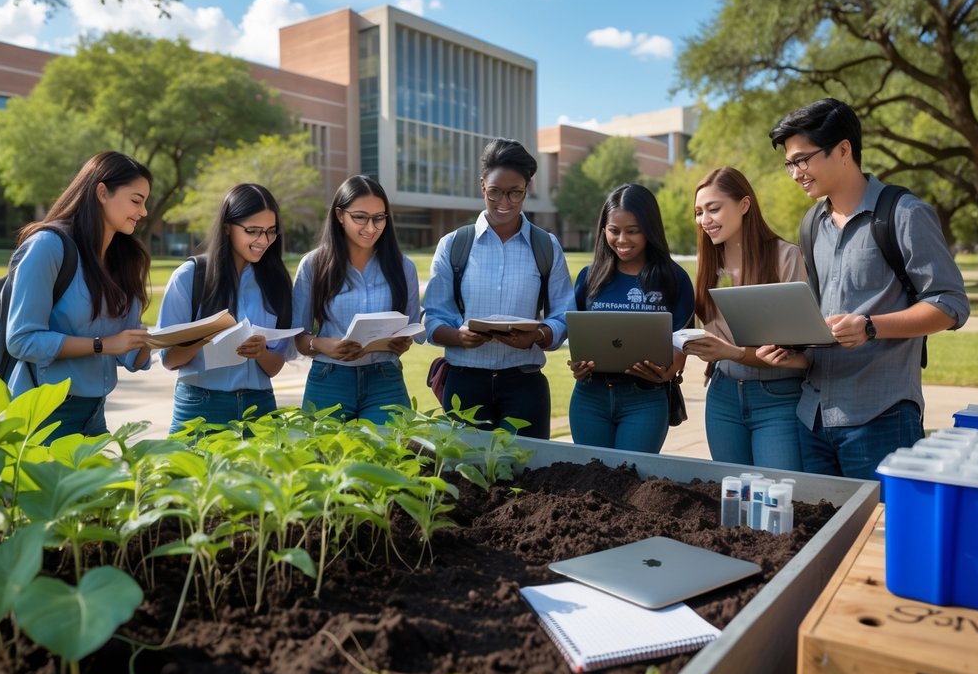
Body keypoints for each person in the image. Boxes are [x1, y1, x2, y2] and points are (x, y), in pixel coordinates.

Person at [758, 98, 970, 480]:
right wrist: (792, 347)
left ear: (843, 150)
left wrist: (871, 326)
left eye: (802, 160)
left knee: (882, 538)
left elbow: (952, 304)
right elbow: (822, 313)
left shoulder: (904, 214)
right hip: (813, 418)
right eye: (790, 163)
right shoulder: (811, 225)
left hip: (880, 417)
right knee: (820, 537)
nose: (795, 173)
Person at [424, 138, 576, 439]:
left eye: (514, 193)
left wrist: (538, 336)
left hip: (525, 384)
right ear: (483, 185)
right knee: (467, 477)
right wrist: (458, 336)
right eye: (494, 192)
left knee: (531, 477)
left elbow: (564, 313)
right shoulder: (454, 245)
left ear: (527, 188)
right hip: (464, 384)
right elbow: (433, 317)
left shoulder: (546, 246)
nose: (504, 202)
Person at [6, 151, 152, 440]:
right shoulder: (48, 246)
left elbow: (128, 355)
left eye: (145, 203)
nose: (144, 212)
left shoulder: (123, 258)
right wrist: (101, 345)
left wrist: (153, 341)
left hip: (95, 414)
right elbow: (21, 340)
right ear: (102, 192)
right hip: (46, 414)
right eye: (136, 200)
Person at [682, 167, 807, 470]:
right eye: (699, 212)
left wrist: (732, 352)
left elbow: (801, 354)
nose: (705, 220)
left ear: (744, 205)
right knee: (734, 497)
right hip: (723, 396)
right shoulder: (710, 265)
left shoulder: (786, 258)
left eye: (714, 208)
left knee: (777, 498)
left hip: (777, 398)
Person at [157, 184, 293, 433]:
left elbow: (273, 367)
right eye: (252, 231)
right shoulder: (191, 276)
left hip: (259, 405)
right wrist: (202, 337)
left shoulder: (277, 282)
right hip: (201, 405)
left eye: (271, 232)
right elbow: (169, 360)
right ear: (227, 227)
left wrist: (261, 351)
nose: (263, 241)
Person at [567, 184, 693, 452]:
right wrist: (577, 366)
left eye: (632, 231)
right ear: (603, 231)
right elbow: (577, 334)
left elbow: (683, 341)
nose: (622, 240)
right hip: (590, 398)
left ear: (650, 229)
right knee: (590, 480)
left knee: (634, 480)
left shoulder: (674, 278)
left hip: (645, 399)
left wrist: (667, 373)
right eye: (614, 231)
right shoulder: (589, 278)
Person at [293, 175, 420, 424]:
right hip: (329, 378)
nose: (371, 228)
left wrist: (403, 343)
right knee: (324, 459)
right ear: (340, 216)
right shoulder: (313, 265)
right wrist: (322, 345)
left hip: (385, 379)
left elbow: (412, 326)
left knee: (392, 458)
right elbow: (298, 338)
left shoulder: (404, 267)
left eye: (379, 218)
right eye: (360, 217)